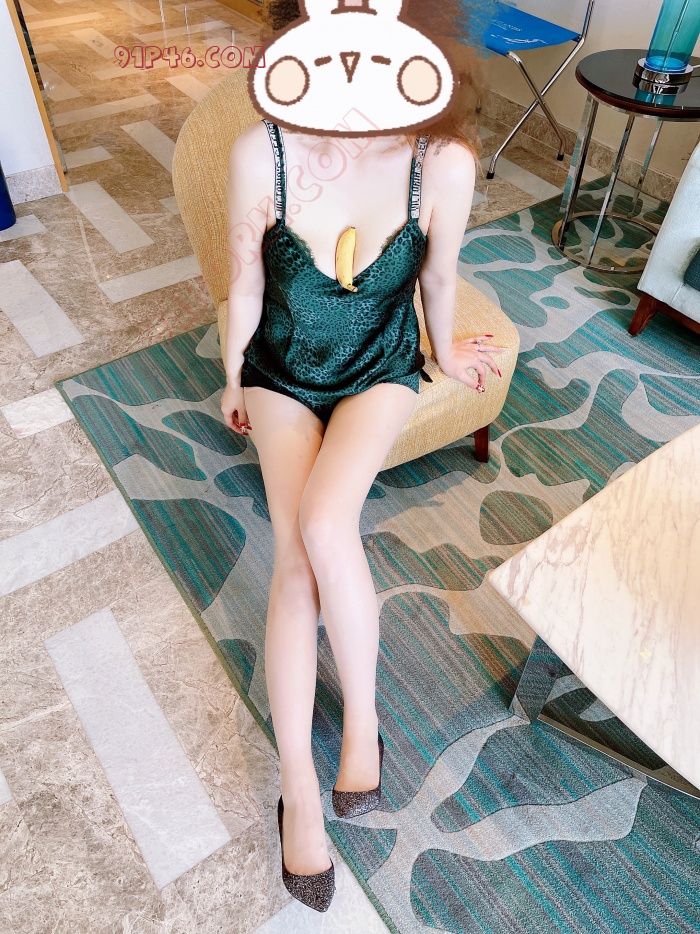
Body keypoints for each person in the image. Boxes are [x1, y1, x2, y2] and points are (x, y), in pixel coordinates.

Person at [220, 3, 503, 913]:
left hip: (380, 367)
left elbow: (439, 276)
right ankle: (301, 790)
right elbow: (244, 282)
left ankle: (364, 721)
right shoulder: (262, 149)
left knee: (322, 520)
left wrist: (448, 350)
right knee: (296, 562)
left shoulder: (441, 161)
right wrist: (232, 375)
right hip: (280, 369)